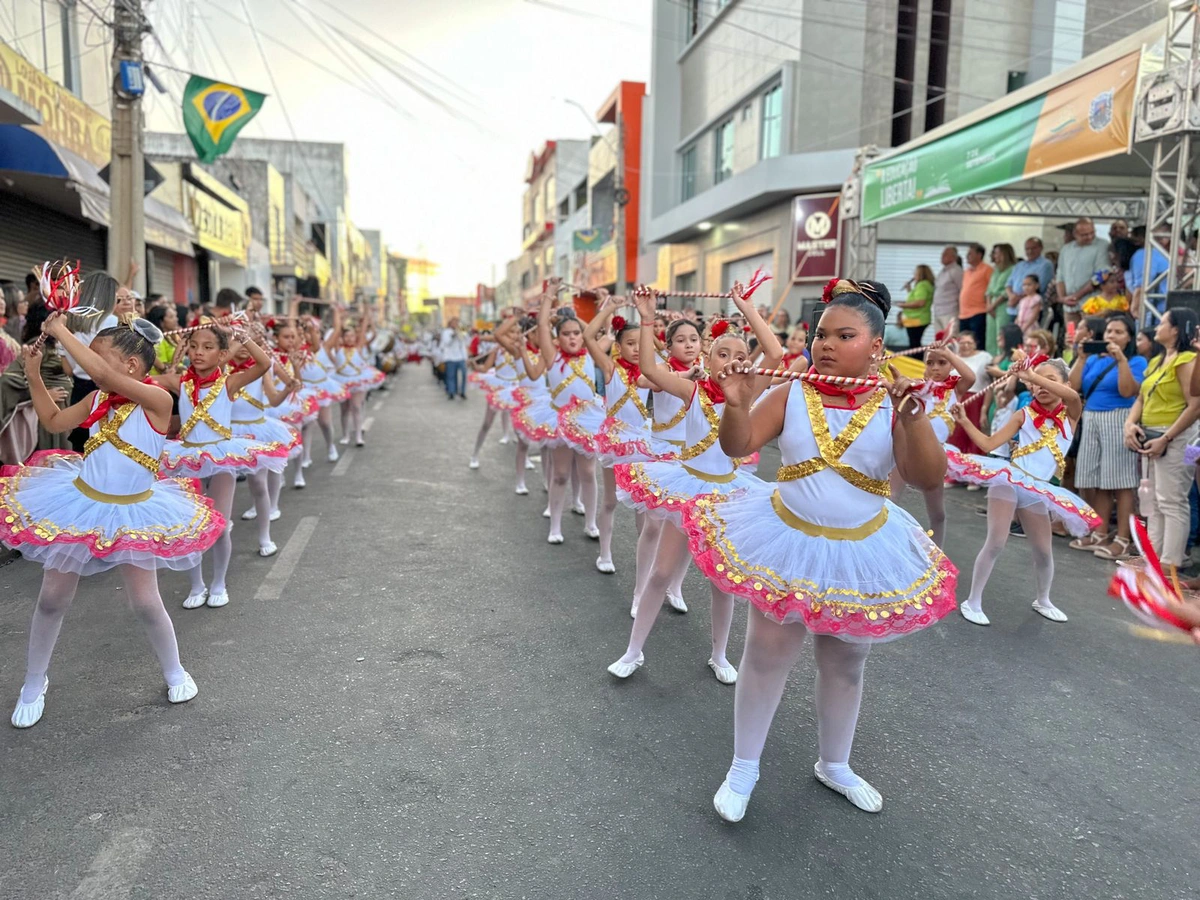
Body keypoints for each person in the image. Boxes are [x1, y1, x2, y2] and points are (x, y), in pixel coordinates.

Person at [684, 278, 955, 820]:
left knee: (847, 662)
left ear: (878, 345)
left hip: (862, 550)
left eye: (844, 335)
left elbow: (928, 477)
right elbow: (739, 445)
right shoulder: (790, 391)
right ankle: (744, 766)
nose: (825, 345)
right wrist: (736, 405)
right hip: (787, 538)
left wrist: (912, 416)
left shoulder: (895, 401)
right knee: (765, 656)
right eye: (821, 334)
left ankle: (835, 764)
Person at [2, 317, 225, 728]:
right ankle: (34, 682)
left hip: (134, 512)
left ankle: (175, 670)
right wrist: (33, 374)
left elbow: (101, 373)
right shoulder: (98, 400)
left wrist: (60, 330)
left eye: (98, 359)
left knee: (144, 601)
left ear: (131, 368)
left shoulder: (157, 401)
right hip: (80, 504)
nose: (89, 369)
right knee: (52, 599)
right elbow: (53, 422)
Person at [607, 283, 782, 683]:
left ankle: (720, 655)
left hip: (729, 494)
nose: (733, 361)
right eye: (723, 353)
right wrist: (648, 316)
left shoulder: (748, 392)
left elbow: (774, 354)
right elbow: (650, 370)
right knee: (661, 572)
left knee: (725, 583)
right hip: (688, 487)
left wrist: (746, 307)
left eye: (740, 356)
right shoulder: (693, 390)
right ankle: (633, 651)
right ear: (708, 356)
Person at [951, 357, 1100, 626]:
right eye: (1035, 383)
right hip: (1009, 481)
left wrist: (1031, 374)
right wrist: (964, 421)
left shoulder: (1071, 415)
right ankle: (973, 600)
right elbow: (988, 443)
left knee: (1044, 551)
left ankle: (1043, 599)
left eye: (1050, 381)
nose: (1041, 387)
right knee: (996, 542)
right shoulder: (1023, 415)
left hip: (1038, 489)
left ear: (1064, 384)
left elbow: (1072, 396)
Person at [154, 322, 278, 609]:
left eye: (208, 348)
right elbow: (145, 383)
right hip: (186, 458)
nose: (198, 353)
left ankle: (219, 582)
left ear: (222, 355)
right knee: (192, 525)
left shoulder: (228, 383)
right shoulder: (179, 381)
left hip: (221, 459)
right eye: (194, 346)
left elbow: (263, 363)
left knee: (220, 526)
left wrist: (245, 338)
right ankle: (197, 584)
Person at [1123, 308, 1200, 573]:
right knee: (1153, 500)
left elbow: (1195, 405)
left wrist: (1166, 438)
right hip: (1153, 433)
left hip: (1177, 436)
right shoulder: (1157, 361)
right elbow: (1142, 398)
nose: (1157, 326)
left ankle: (1170, 561)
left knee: (1172, 499)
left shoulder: (1188, 359)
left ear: (1176, 329)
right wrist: (1130, 424)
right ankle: (1153, 557)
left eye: (1162, 322)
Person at [1067, 314, 1145, 560]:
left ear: (1129, 337)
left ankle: (1123, 537)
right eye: (1109, 331)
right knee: (1098, 479)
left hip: (1118, 417)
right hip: (1092, 418)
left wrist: (1121, 359)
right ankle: (1100, 531)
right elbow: (1073, 386)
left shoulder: (1137, 360)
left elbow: (1127, 391)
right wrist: (1081, 358)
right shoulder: (1094, 360)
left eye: (1119, 332)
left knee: (1121, 482)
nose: (1112, 335)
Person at [580, 293, 647, 574]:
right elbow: (588, 336)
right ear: (617, 346)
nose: (635, 349)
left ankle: (646, 561)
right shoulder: (610, 369)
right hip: (616, 442)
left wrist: (648, 316)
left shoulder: (651, 370)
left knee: (643, 508)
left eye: (639, 344)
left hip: (644, 443)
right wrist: (610, 308)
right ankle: (605, 553)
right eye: (629, 344)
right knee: (610, 501)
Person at [893, 345, 975, 545]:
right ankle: (884, 546)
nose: (935, 368)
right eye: (930, 363)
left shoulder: (955, 389)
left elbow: (970, 377)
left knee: (937, 514)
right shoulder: (917, 387)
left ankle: (936, 557)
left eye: (942, 362)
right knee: (890, 499)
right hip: (907, 451)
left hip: (935, 456)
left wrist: (948, 353)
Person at [62, 273, 119, 452]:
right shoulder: (112, 322)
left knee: (81, 447)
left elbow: (68, 369)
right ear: (108, 297)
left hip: (79, 390)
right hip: (106, 390)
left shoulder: (68, 325)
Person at [1055, 218, 1110, 320]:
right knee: (1071, 335)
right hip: (1069, 308)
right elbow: (1060, 276)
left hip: (1092, 305)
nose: (1089, 237)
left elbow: (1101, 274)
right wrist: (1063, 298)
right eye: (1084, 235)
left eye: (1092, 233)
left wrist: (1077, 295)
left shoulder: (1103, 245)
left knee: (1088, 334)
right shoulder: (1066, 249)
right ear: (1075, 234)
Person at [1129, 225, 1172, 323]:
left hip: (1151, 311)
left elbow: (1142, 283)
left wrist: (1135, 308)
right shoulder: (1167, 257)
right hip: (1166, 309)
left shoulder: (1143, 254)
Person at [958, 242, 993, 347]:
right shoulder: (966, 271)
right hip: (963, 314)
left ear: (979, 255)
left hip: (978, 312)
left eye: (970, 253)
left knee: (976, 343)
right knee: (963, 343)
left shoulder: (987, 269)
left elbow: (990, 290)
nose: (967, 256)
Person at [985, 244, 1017, 355]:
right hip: (991, 305)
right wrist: (989, 305)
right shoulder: (995, 270)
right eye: (995, 253)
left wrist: (993, 305)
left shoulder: (1012, 269)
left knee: (1001, 333)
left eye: (998, 253)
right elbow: (989, 289)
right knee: (990, 335)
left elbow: (1006, 291)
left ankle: (1001, 358)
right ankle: (991, 358)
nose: (995, 256)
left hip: (1002, 305)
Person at [898, 265, 935, 350]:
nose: (913, 275)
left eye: (915, 273)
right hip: (919, 318)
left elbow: (920, 303)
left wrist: (903, 305)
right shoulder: (925, 285)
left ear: (920, 273)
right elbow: (915, 299)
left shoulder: (922, 285)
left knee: (914, 345)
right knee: (915, 343)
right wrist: (909, 289)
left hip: (917, 318)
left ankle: (917, 361)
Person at [932, 246, 962, 335]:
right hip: (938, 311)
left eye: (945, 254)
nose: (942, 256)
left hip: (950, 311)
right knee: (939, 340)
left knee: (950, 339)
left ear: (953, 257)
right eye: (942, 254)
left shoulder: (956, 271)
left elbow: (962, 290)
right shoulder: (942, 271)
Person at [440, 317, 468, 399]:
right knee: (451, 376)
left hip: (460, 357)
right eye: (454, 322)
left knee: (464, 374)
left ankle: (462, 391)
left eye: (457, 323)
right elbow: (446, 343)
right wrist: (453, 336)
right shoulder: (446, 332)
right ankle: (451, 392)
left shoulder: (461, 330)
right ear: (450, 323)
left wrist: (466, 358)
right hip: (450, 357)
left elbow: (464, 343)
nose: (455, 324)